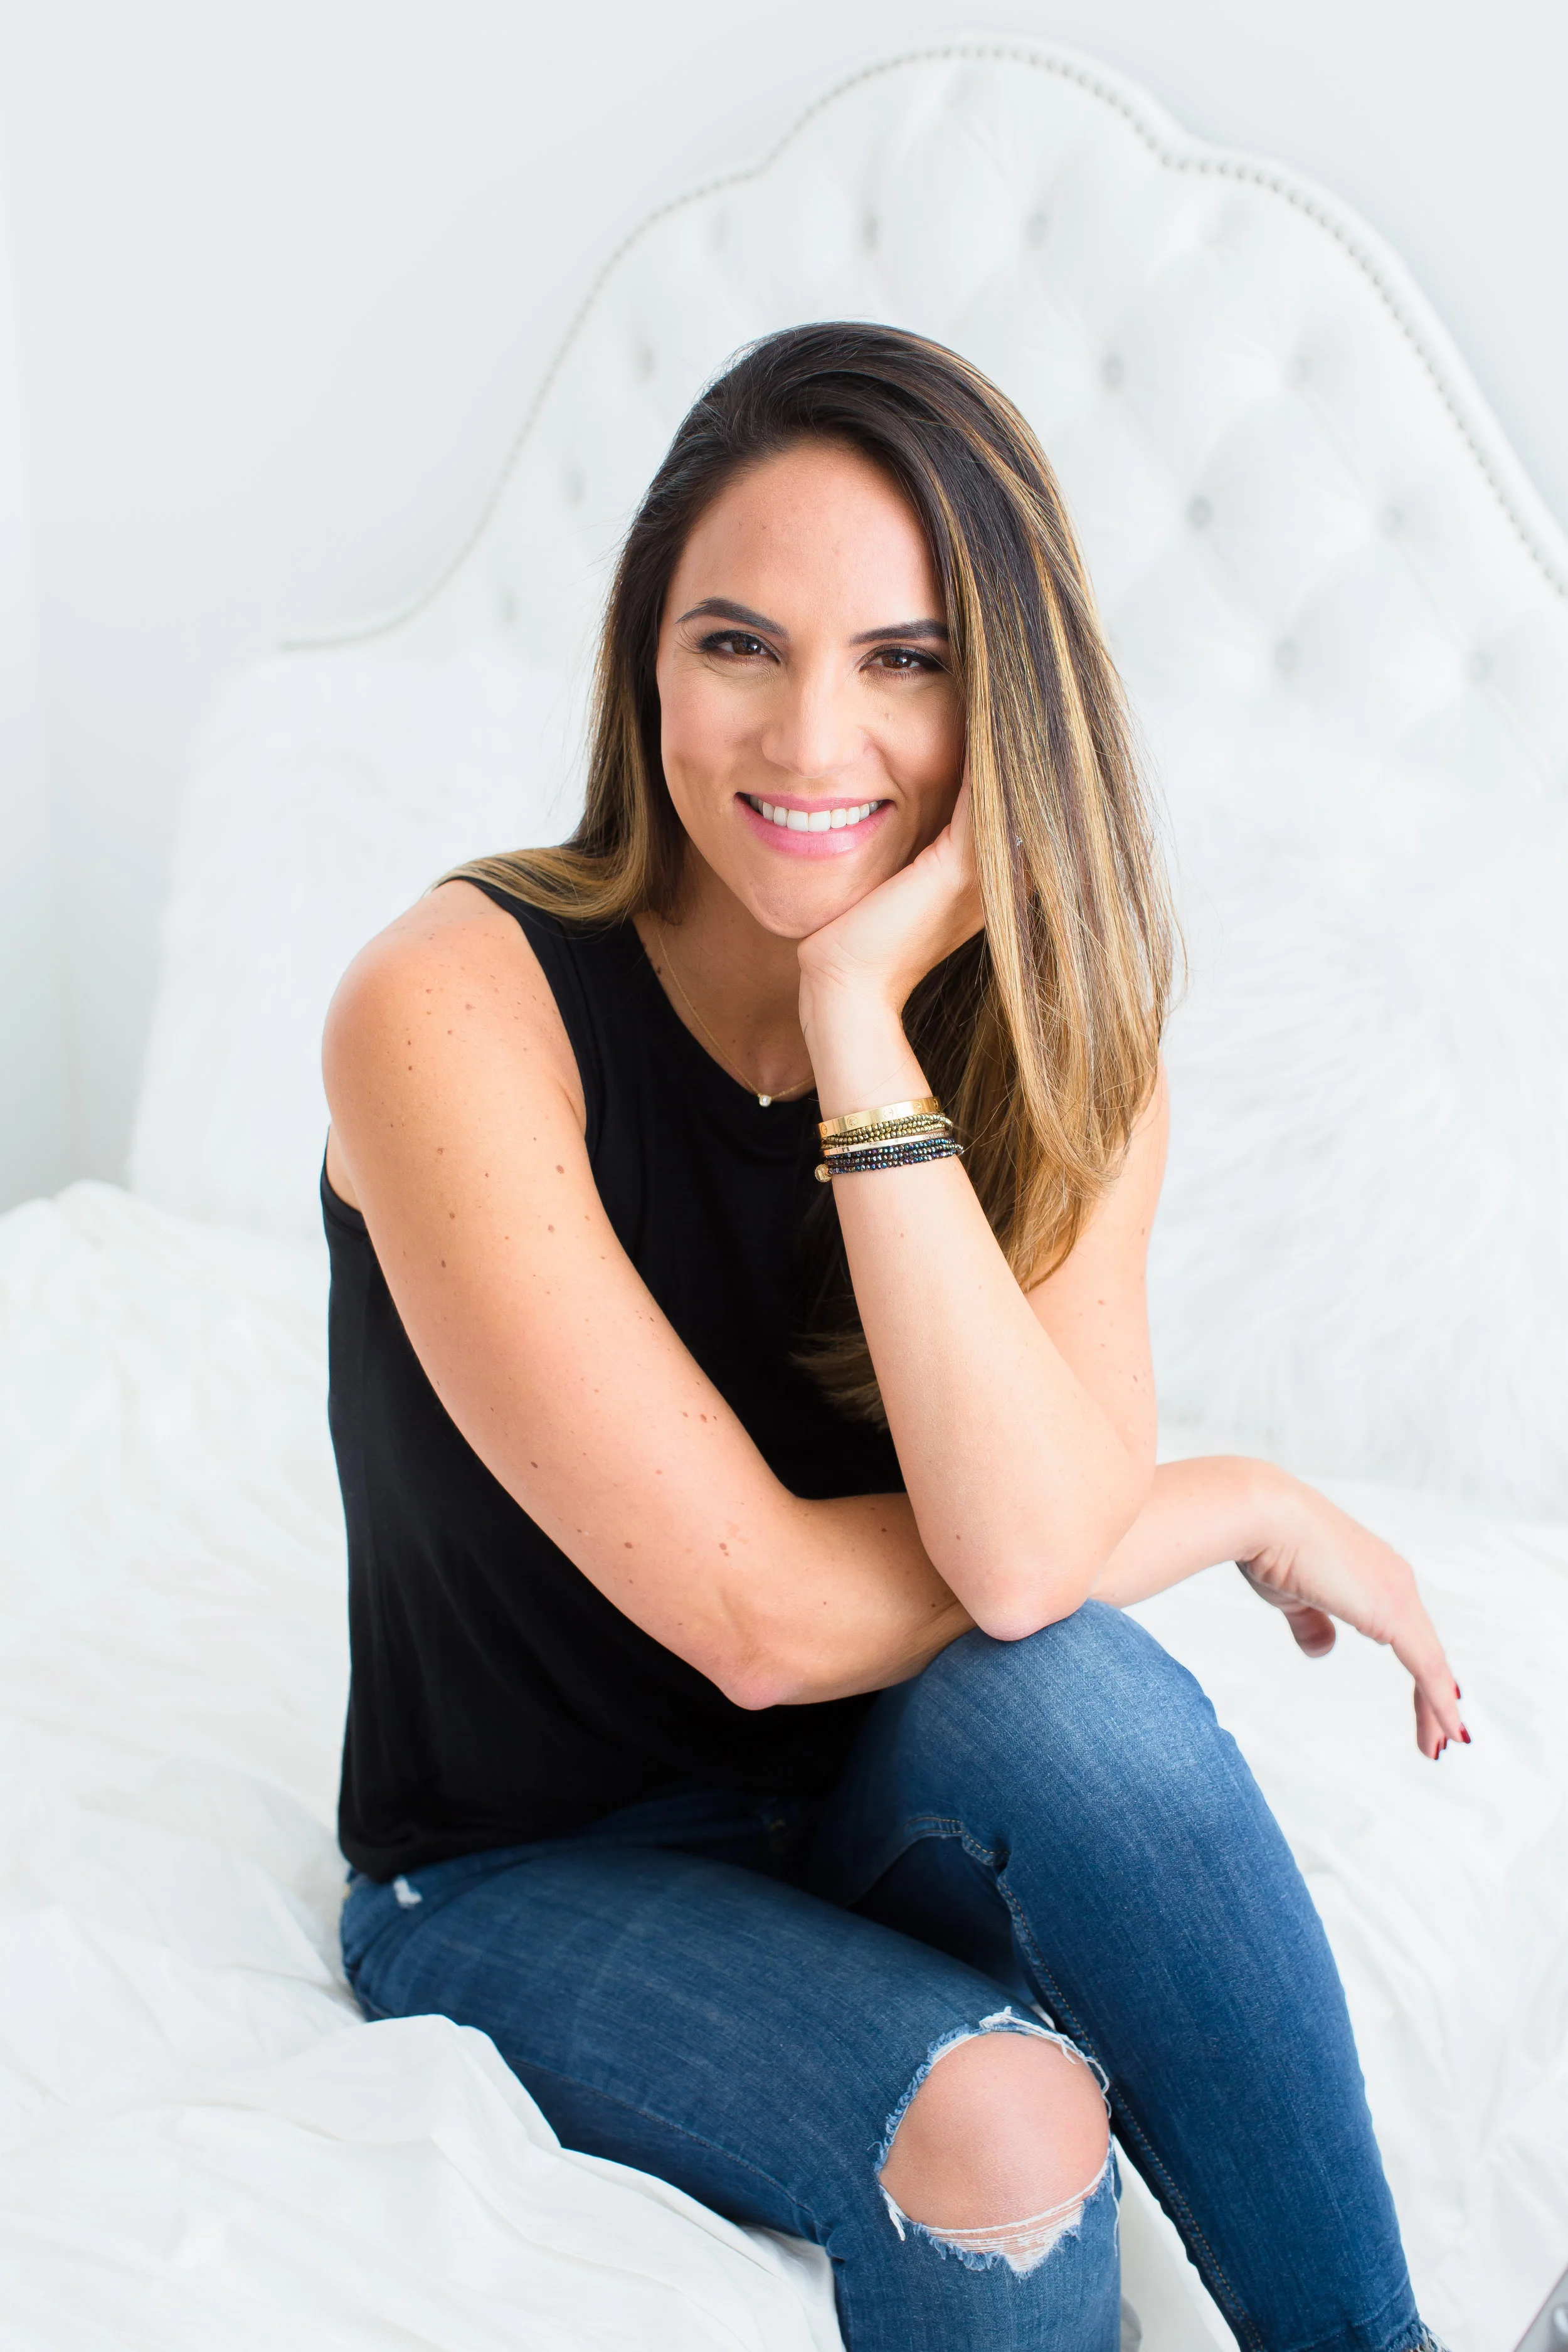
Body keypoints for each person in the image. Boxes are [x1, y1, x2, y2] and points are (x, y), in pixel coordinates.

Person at [321, 323, 1459, 2351]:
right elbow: (757, 1618)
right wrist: (1224, 1499)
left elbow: (1024, 1567)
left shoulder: (1055, 1038)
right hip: (522, 1864)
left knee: (1077, 1704)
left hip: (877, 1804)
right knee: (1006, 2122)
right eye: (737, 646)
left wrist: (859, 1021)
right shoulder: (449, 1005)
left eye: (904, 661)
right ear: (645, 664)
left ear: (1003, 697)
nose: (810, 737)